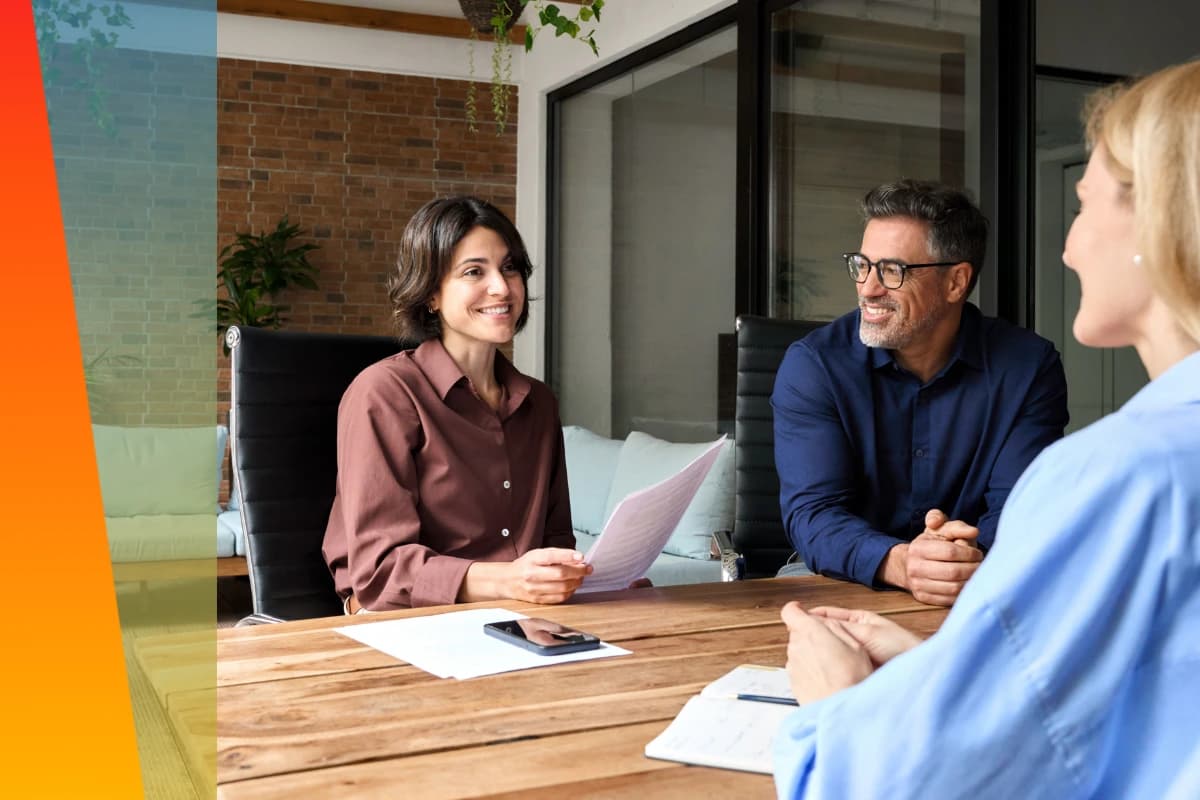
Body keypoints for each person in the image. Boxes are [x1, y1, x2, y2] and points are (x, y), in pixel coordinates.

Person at [775, 60, 1200, 798]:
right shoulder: (815, 364)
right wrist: (911, 590)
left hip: (964, 604)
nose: (1066, 248)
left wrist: (839, 704)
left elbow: (909, 782)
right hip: (879, 594)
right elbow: (1120, 714)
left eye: (1083, 205)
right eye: (861, 265)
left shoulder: (1116, 471)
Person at [772, 180, 1069, 605]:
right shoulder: (815, 366)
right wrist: (904, 562)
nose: (868, 288)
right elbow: (814, 515)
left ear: (956, 282)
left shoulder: (1027, 369)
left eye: (892, 271)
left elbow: (1019, 508)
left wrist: (959, 558)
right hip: (840, 577)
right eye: (862, 265)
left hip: (976, 578)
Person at [323, 196, 591, 611]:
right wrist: (509, 580)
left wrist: (575, 575)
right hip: (406, 621)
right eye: (473, 272)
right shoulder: (384, 394)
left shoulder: (538, 403)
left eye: (509, 267)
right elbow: (382, 573)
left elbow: (555, 539)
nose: (501, 287)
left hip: (519, 616)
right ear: (431, 293)